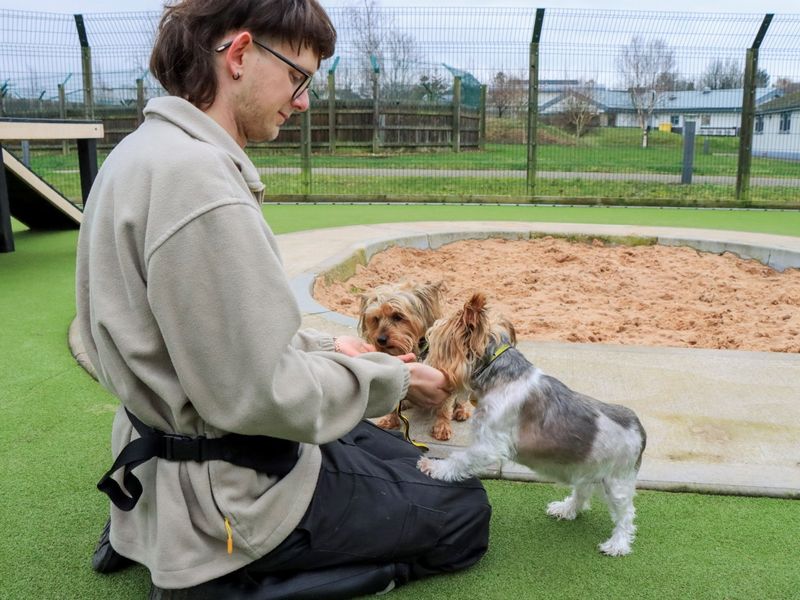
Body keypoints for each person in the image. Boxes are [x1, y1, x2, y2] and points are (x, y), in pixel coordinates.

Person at [75, 0, 491, 598]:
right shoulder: (201, 186)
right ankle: (221, 580)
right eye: (299, 77)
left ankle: (148, 530)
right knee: (463, 506)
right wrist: (395, 379)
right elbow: (260, 394)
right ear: (240, 54)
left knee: (403, 457)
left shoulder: (138, 153)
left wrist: (332, 350)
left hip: (163, 449)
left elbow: (202, 337)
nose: (302, 102)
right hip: (226, 492)